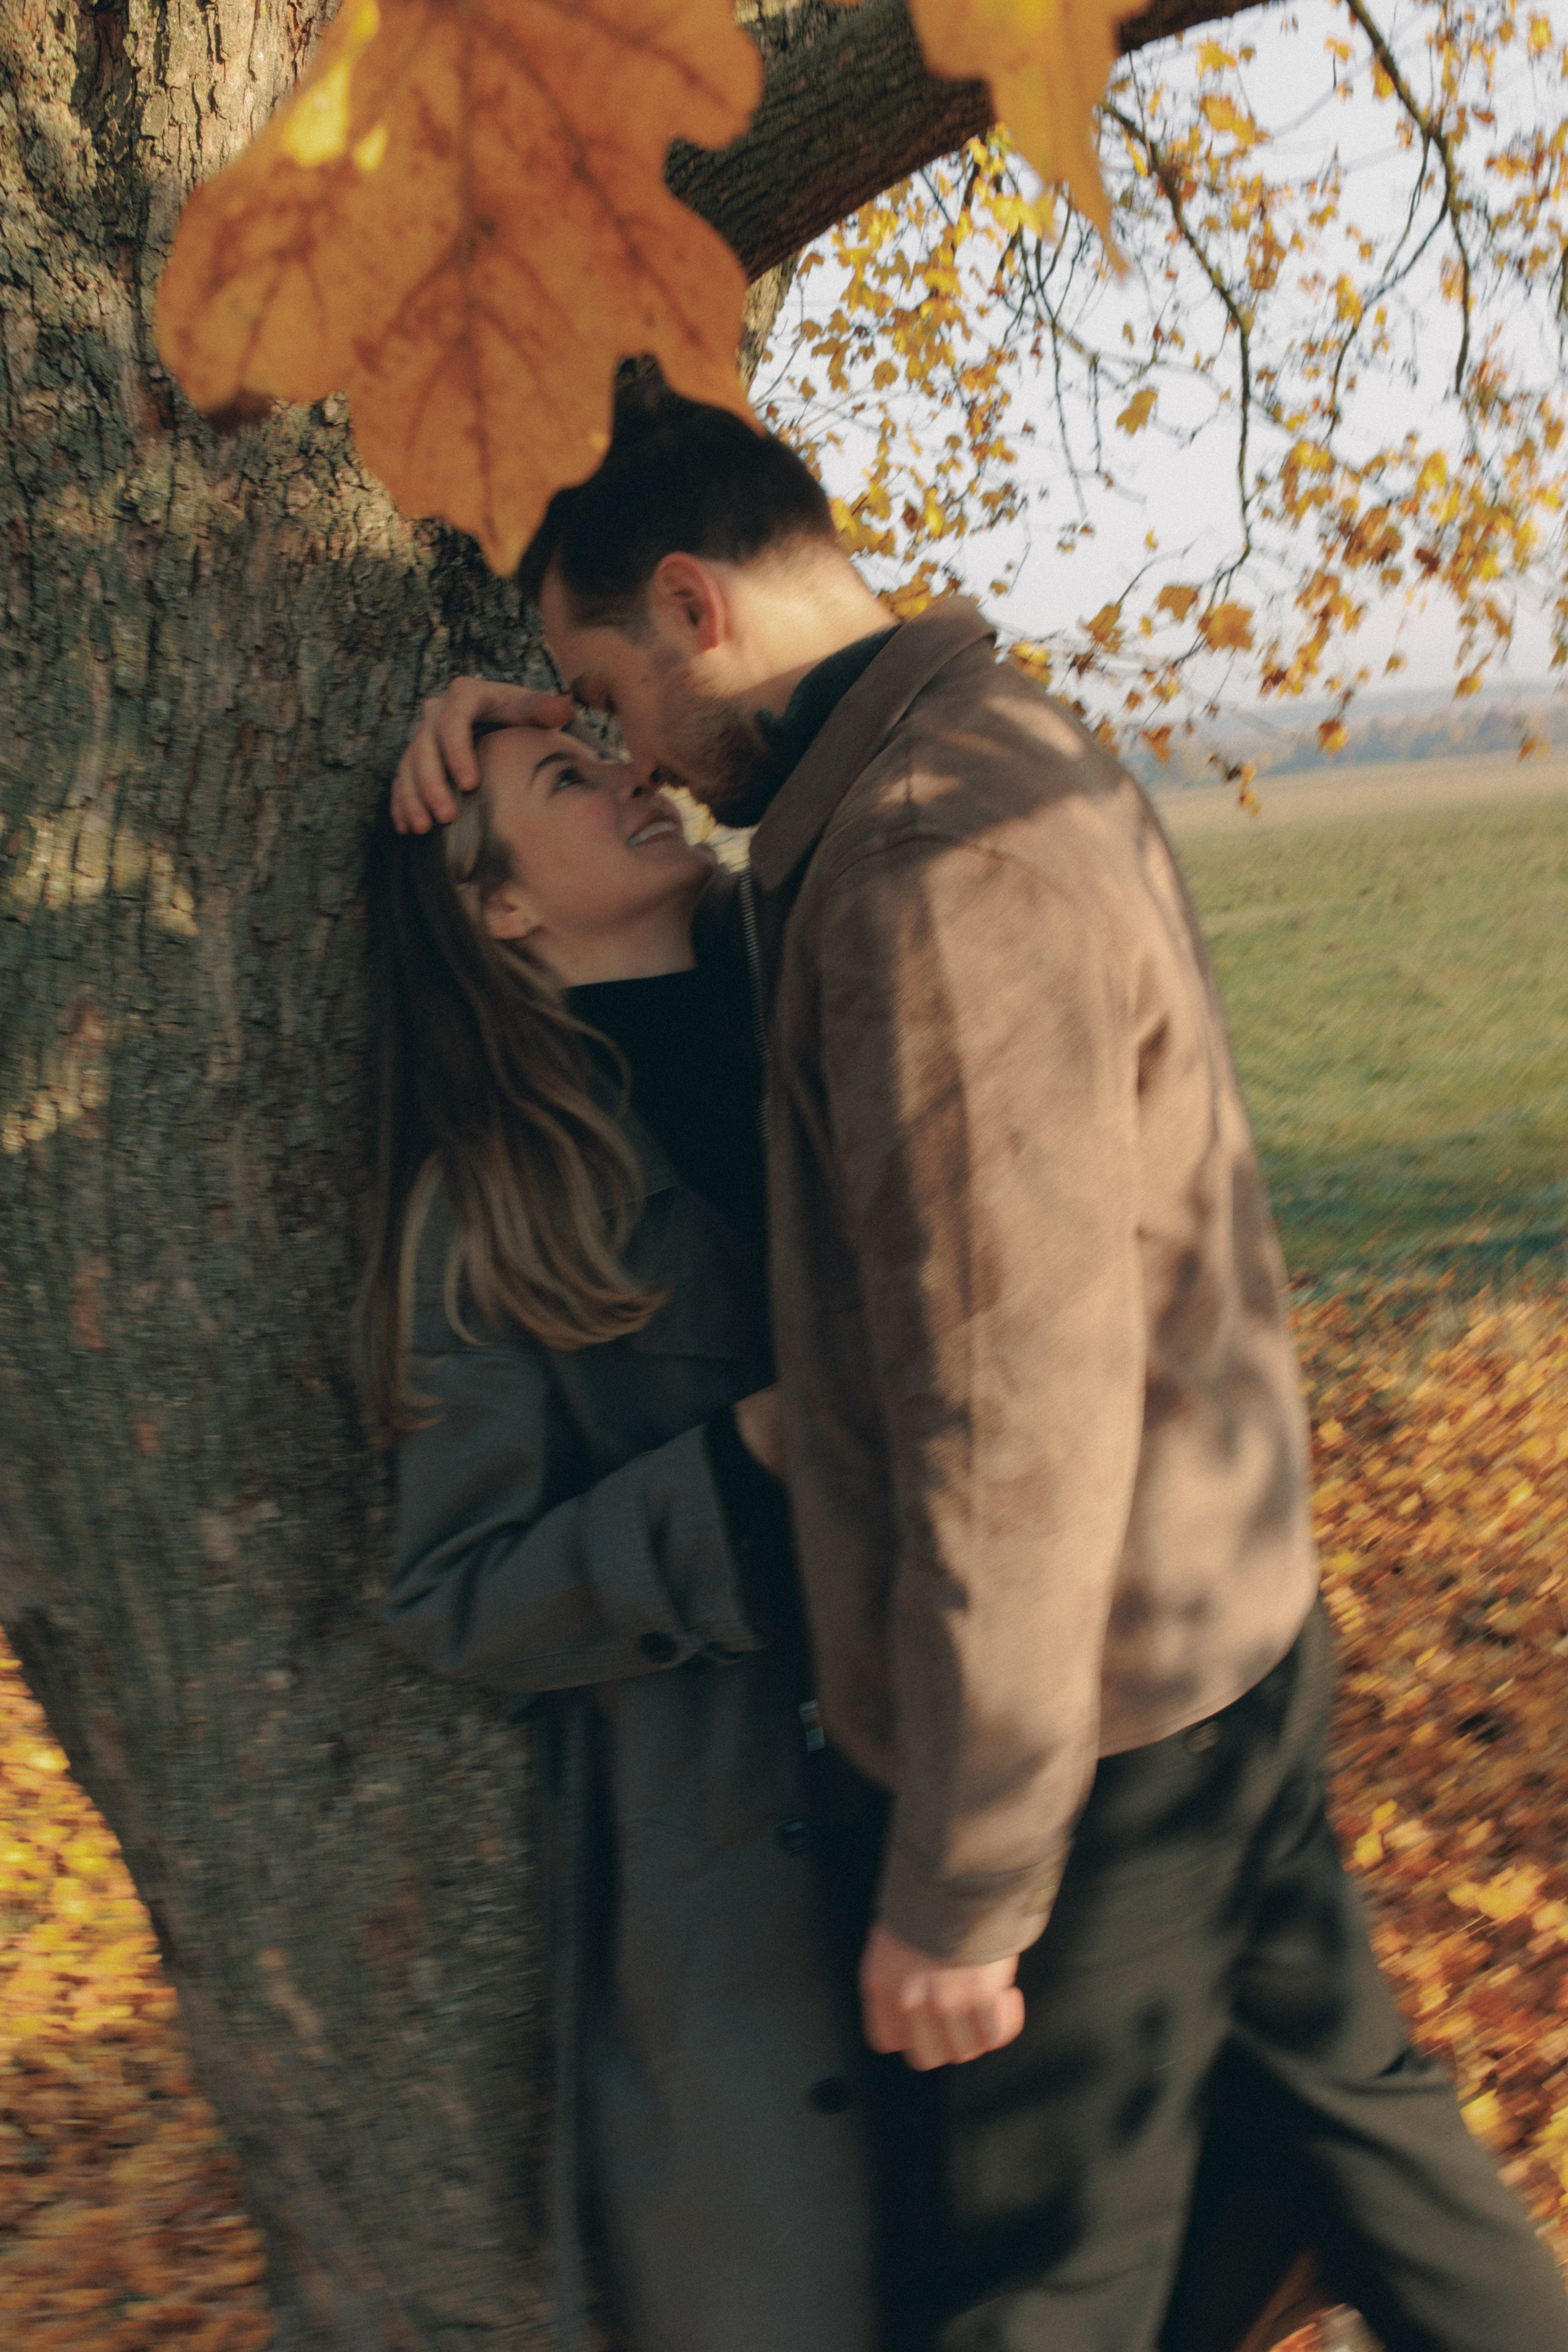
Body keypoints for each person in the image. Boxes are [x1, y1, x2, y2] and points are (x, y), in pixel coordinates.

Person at [390, 377, 1568, 2352]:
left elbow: (1008, 1416)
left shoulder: (921, 868)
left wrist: (965, 1882)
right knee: (1382, 2170)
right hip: (1216, 1642)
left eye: (604, 692)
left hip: (1097, 1710)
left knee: (1042, 2298)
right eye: (567, 747)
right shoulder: (973, 759)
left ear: (690, 606)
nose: (625, 752)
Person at [358, 719, 878, 2352]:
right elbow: (456, 1596)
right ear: (498, 910)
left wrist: (513, 699)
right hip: (747, 1870)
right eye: (573, 783)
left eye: (614, 746)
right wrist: (740, 1471)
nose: (637, 777)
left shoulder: (822, 992)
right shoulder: (497, 1200)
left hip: (979, 1759)